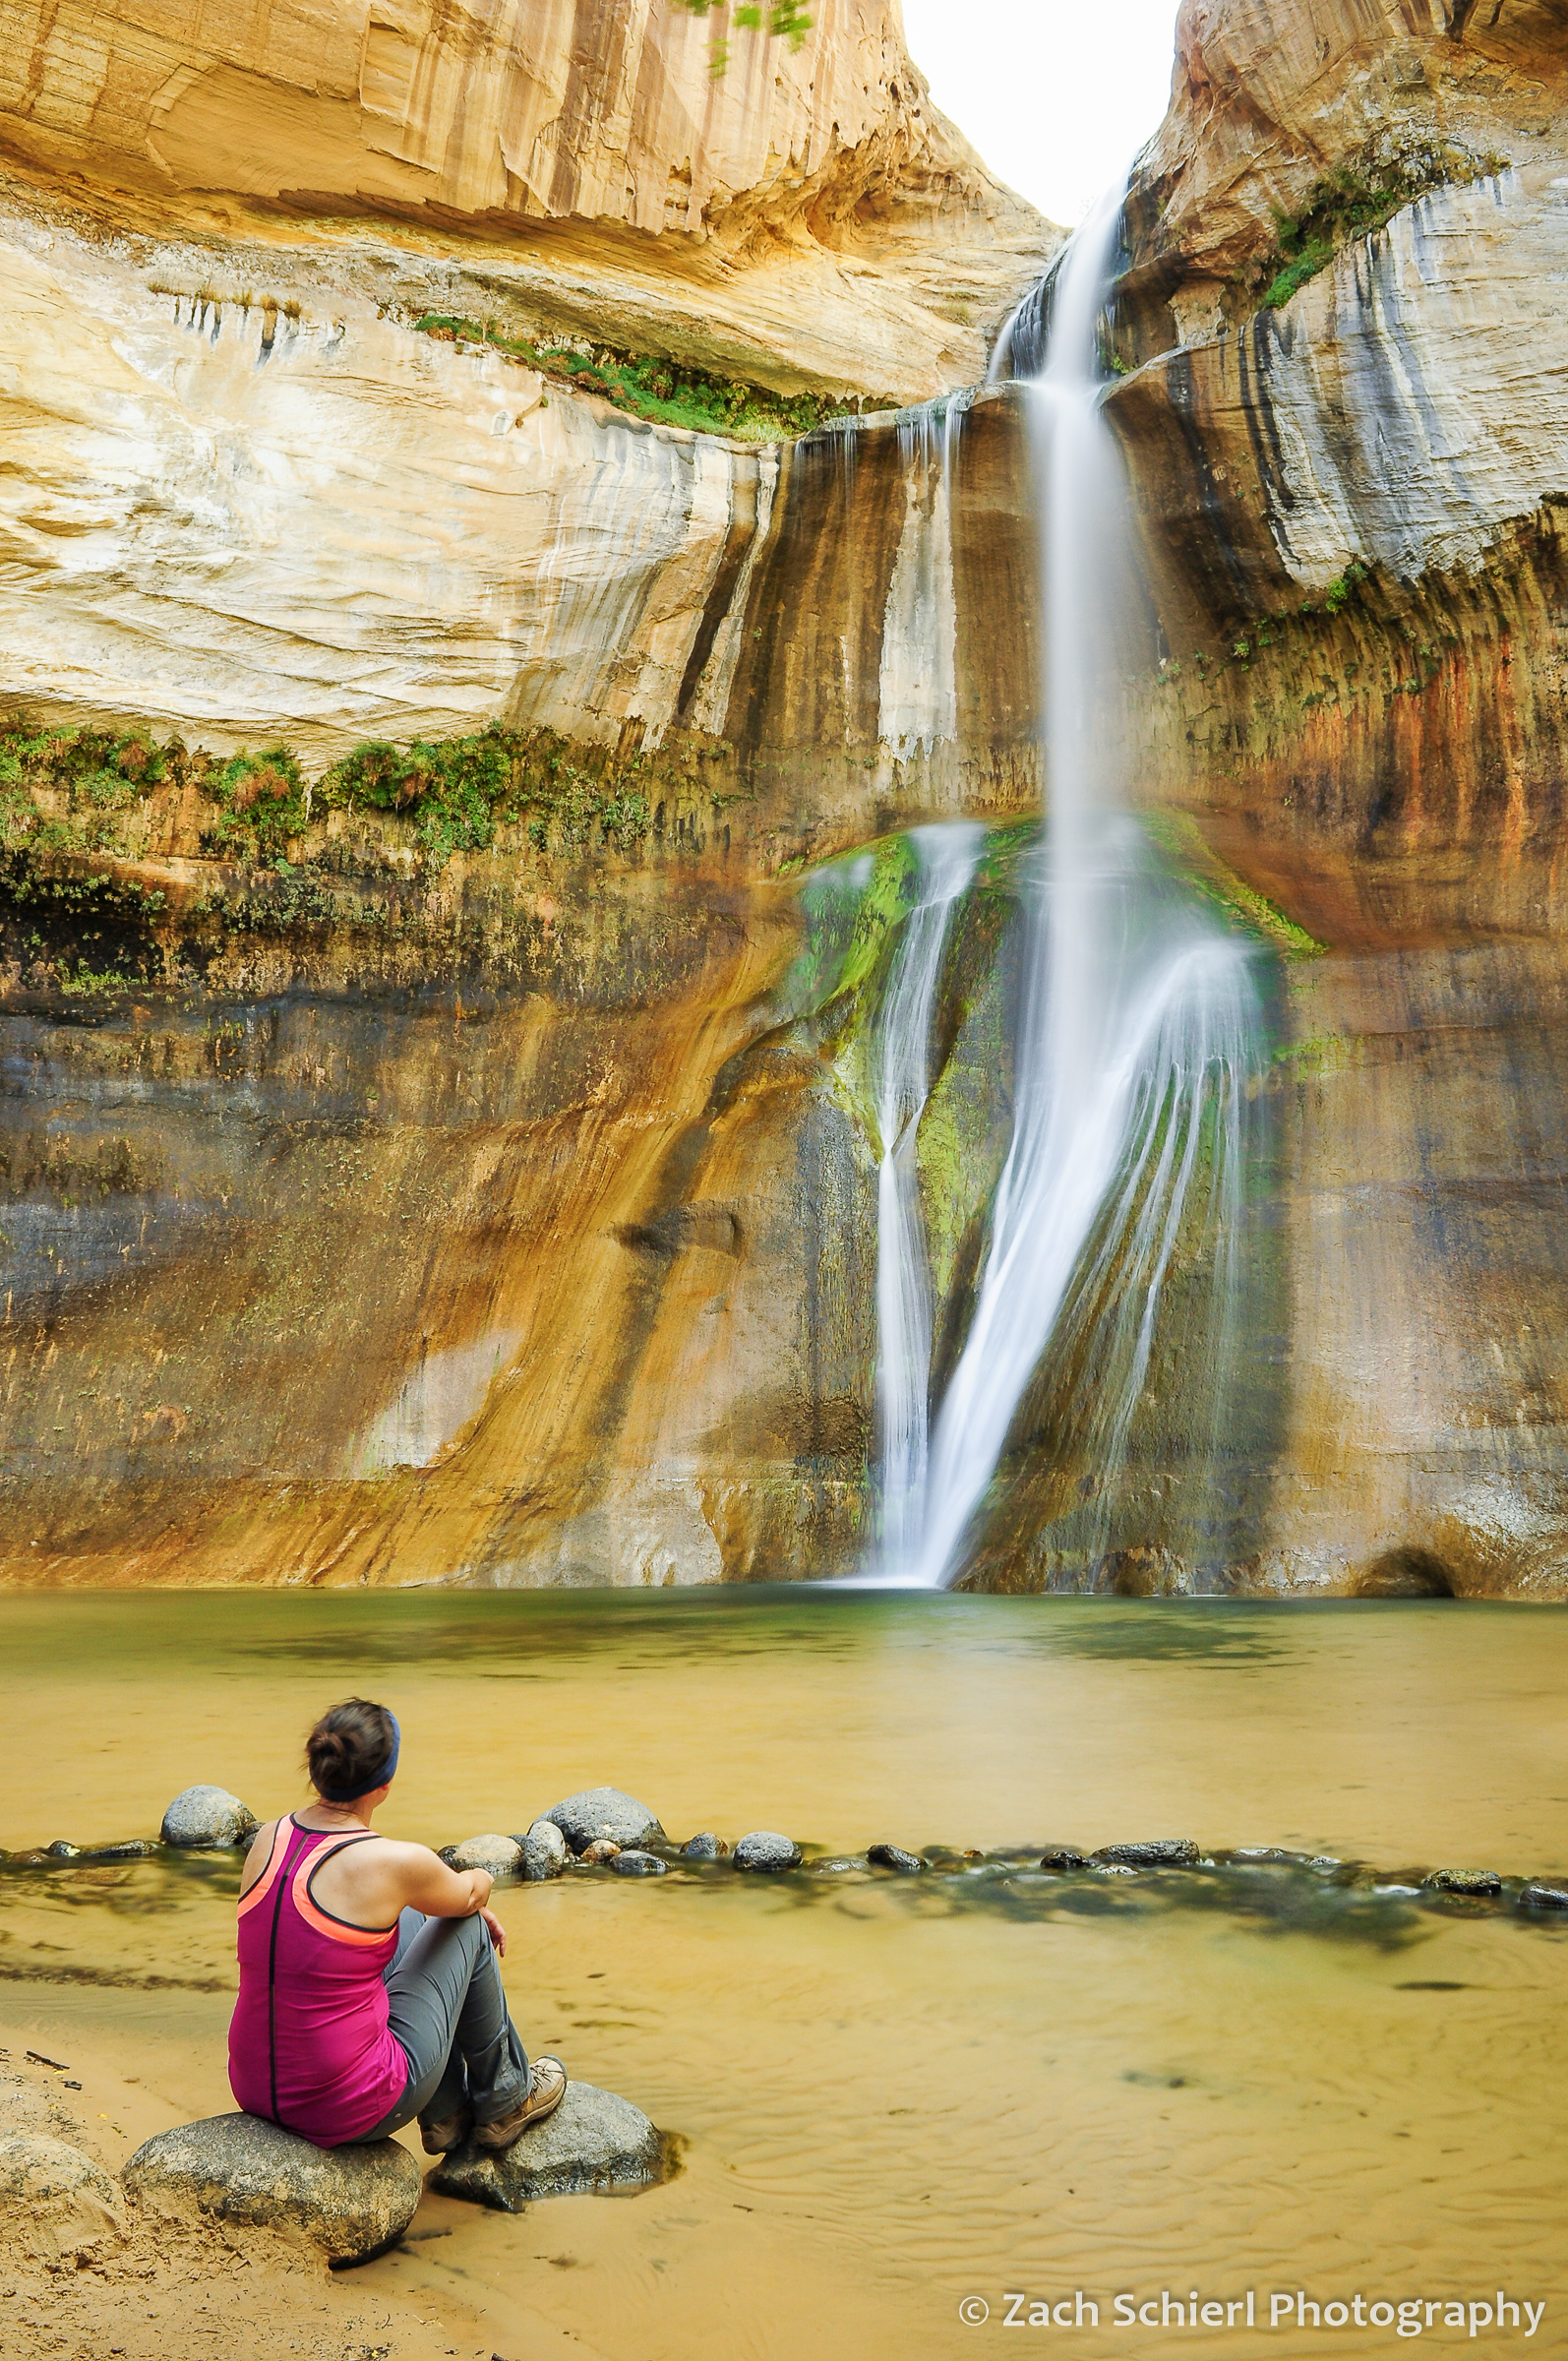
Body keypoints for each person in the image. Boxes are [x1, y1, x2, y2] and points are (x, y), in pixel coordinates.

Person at [228, 1696, 565, 2153]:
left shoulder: (269, 1838)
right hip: (345, 2105)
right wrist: (483, 1881)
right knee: (466, 1926)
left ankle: (447, 2113)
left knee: (409, 1914)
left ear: (315, 1771)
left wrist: (446, 1905)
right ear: (385, 1783)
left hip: (253, 2087)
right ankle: (507, 2098)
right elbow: (468, 1894)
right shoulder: (392, 1862)